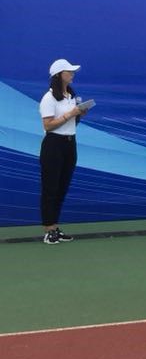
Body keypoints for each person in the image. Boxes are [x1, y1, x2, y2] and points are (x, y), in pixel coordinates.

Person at [39, 59, 88, 244]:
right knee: (50, 188)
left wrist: (79, 115)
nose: (72, 74)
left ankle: (55, 227)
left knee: (61, 187)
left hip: (70, 143)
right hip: (53, 144)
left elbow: (71, 124)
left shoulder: (70, 96)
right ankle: (48, 230)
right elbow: (48, 125)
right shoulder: (49, 98)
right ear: (59, 75)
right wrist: (70, 114)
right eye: (69, 71)